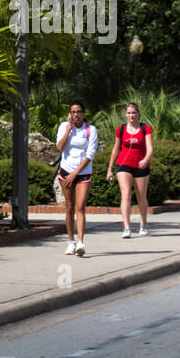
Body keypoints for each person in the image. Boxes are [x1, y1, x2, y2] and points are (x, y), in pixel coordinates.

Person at [105, 102, 154, 237]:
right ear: (125, 114)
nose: (131, 115)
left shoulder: (145, 128)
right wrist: (109, 168)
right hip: (123, 164)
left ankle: (143, 224)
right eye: (129, 113)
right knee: (125, 195)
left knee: (141, 197)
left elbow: (150, 148)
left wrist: (146, 159)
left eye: (133, 113)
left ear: (138, 114)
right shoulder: (121, 129)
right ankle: (126, 228)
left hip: (140, 165)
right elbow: (116, 149)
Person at [56, 102, 98, 257]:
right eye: (73, 112)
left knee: (80, 207)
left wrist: (75, 174)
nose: (76, 115)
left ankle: (81, 242)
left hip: (82, 173)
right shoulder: (64, 127)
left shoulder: (90, 130)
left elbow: (90, 155)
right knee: (69, 207)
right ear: (70, 114)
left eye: (79, 112)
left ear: (84, 113)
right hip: (66, 170)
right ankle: (71, 242)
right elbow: (60, 147)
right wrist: (68, 129)